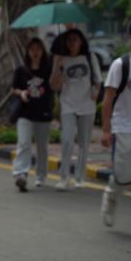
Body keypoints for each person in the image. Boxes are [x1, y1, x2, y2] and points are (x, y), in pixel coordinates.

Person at [50, 28, 102, 190]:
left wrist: (96, 92)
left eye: (75, 39)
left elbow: (98, 80)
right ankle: (64, 177)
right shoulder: (60, 59)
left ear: (81, 42)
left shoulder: (89, 57)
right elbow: (54, 86)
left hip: (87, 105)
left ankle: (80, 176)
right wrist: (58, 69)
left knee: (84, 143)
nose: (72, 42)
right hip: (68, 105)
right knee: (66, 140)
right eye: (69, 39)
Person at [99, 22, 131, 227]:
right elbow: (108, 98)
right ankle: (111, 197)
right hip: (124, 128)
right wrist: (106, 129)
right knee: (123, 177)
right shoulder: (121, 65)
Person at [11, 38, 54, 192]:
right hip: (25, 112)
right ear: (28, 52)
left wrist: (58, 67)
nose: (35, 52)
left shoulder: (49, 69)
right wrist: (21, 92)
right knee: (24, 143)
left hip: (43, 112)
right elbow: (13, 88)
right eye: (32, 49)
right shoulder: (21, 70)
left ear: (43, 51)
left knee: (42, 147)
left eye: (38, 49)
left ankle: (41, 175)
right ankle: (20, 174)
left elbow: (56, 85)